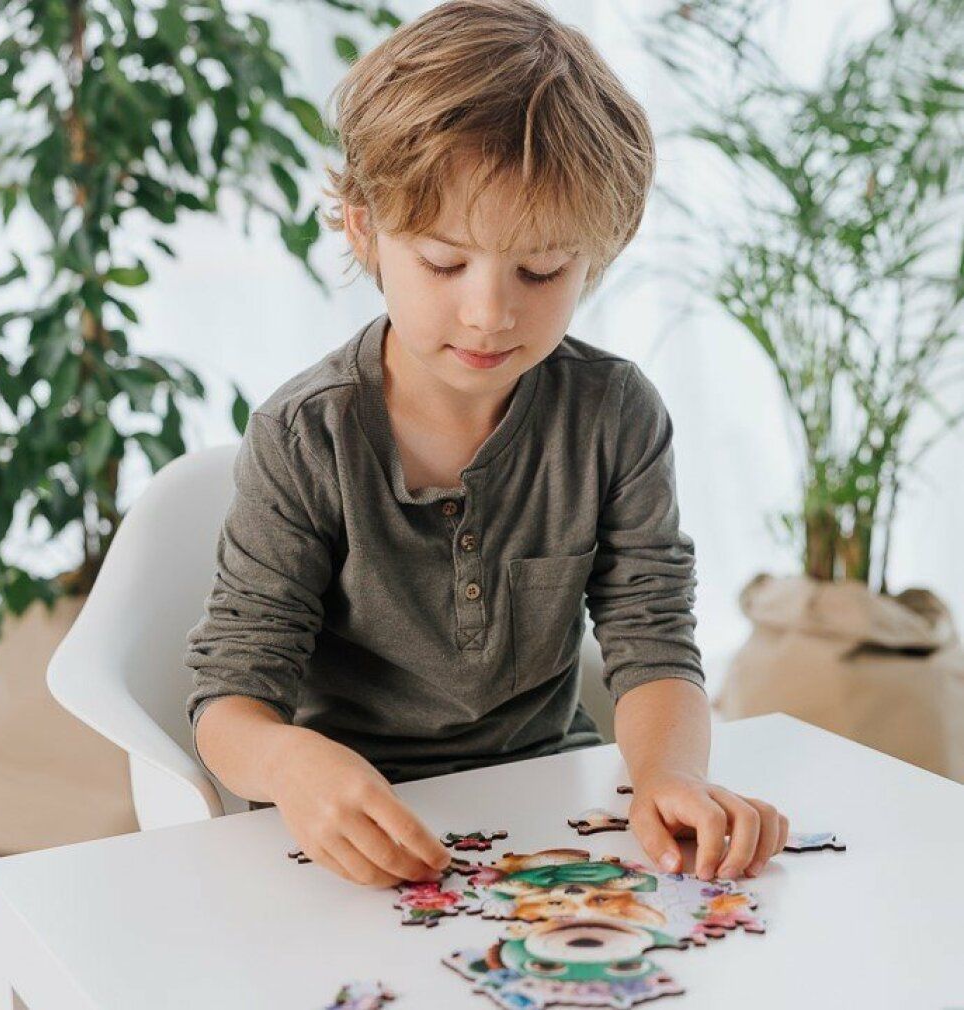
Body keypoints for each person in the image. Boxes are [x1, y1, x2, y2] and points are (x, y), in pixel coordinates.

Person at [185, 0, 789, 890]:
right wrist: (287, 764)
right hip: (349, 829)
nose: (490, 312)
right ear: (363, 229)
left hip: (548, 801)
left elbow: (652, 637)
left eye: (541, 270)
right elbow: (227, 697)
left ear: (598, 254)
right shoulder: (305, 435)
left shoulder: (615, 414)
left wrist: (671, 777)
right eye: (442, 262)